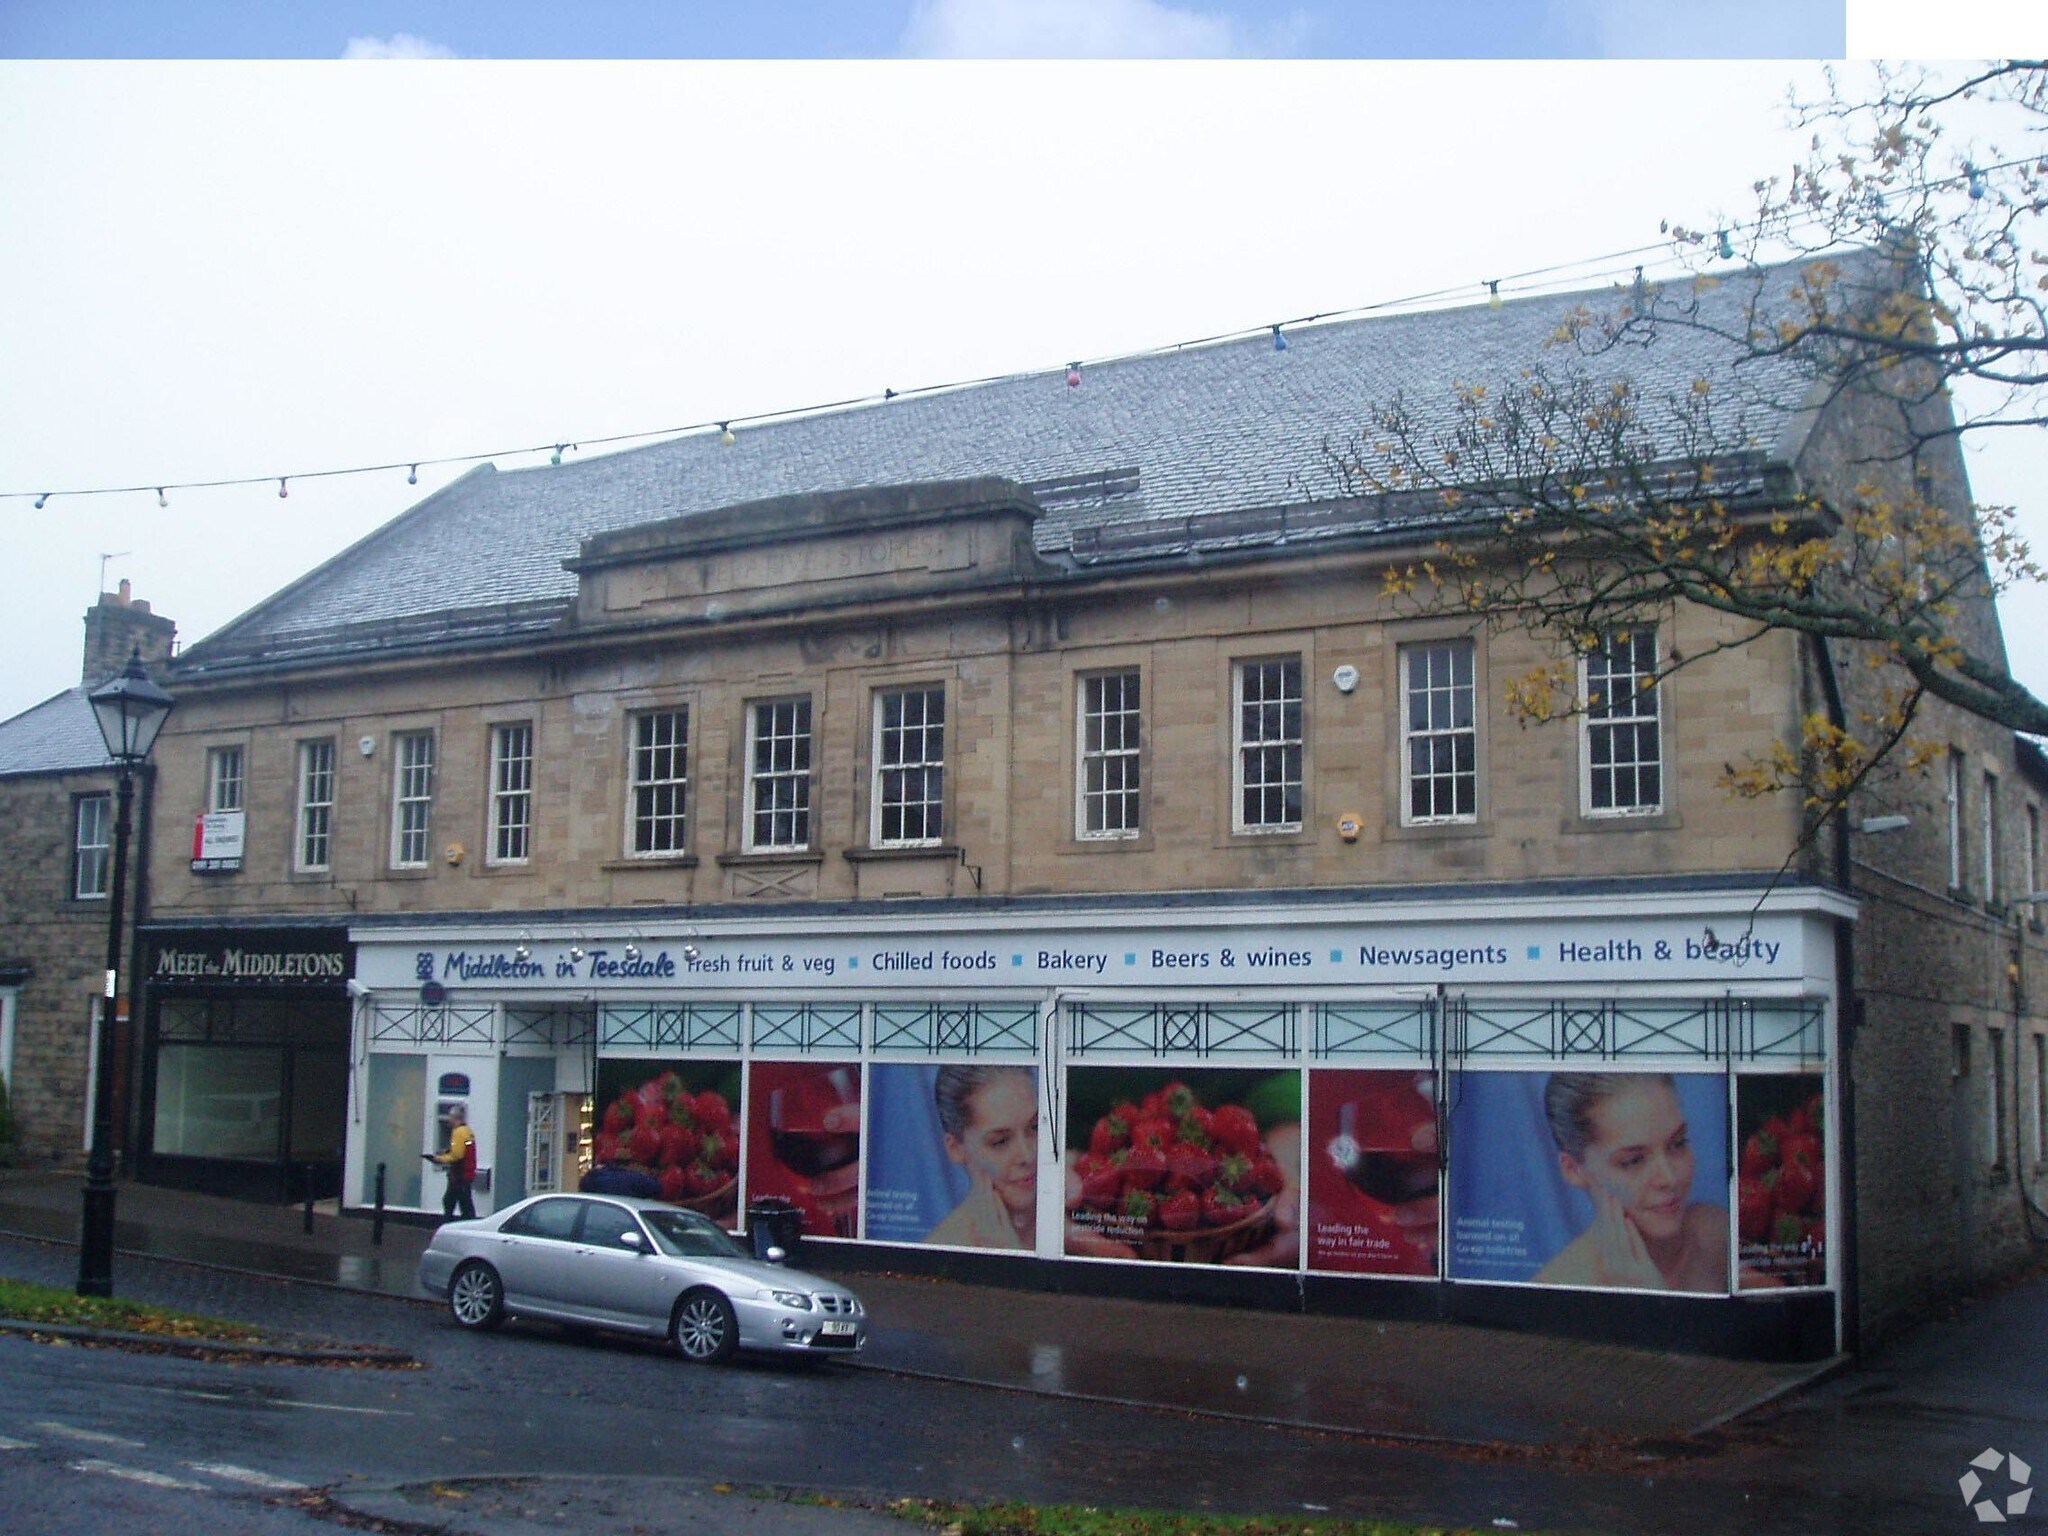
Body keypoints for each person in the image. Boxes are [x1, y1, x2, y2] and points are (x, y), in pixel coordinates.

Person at [1532, 1073, 1726, 1293]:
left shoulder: (1715, 1231)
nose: (1669, 1179)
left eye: (1677, 1144)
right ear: (1574, 1169)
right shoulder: (1554, 1289)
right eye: (1634, 1160)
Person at [925, 1065, 1038, 1249]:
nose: (1028, 1155)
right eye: (1000, 1141)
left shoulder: (1064, 1214)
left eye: (1035, 1127)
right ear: (955, 1149)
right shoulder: (944, 1247)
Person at [425, 1104, 477, 1221]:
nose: (449, 1119)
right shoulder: (468, 1131)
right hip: (466, 1173)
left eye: (450, 1117)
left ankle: (450, 1225)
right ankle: (463, 1224)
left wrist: (439, 1159)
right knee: (461, 1202)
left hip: (459, 1175)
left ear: (454, 1118)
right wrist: (449, 1151)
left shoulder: (458, 1132)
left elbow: (457, 1155)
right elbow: (465, 1149)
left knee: (453, 1202)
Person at [580, 1157, 661, 1198]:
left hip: (602, 1212)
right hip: (627, 1216)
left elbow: (583, 1185)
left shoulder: (596, 1176)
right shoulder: (635, 1178)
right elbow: (657, 1188)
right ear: (630, 1164)